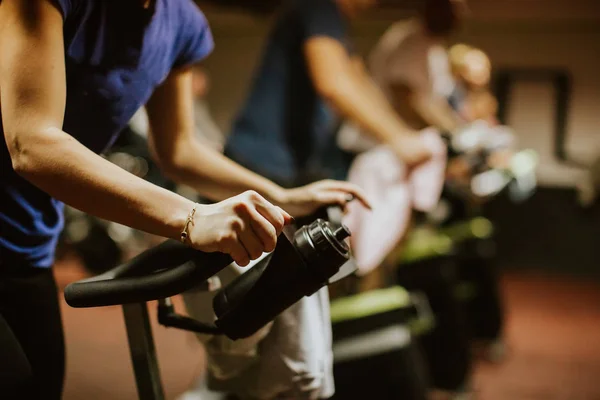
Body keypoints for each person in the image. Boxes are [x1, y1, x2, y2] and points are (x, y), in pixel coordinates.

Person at [0, 1, 369, 399]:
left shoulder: (182, 23)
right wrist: (191, 217)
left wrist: (280, 196)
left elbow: (179, 149)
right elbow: (32, 143)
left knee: (39, 387)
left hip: (26, 239)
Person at [180, 0, 432, 399]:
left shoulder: (337, 29)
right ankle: (210, 389)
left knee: (278, 307)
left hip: (287, 173)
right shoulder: (319, 8)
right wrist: (401, 141)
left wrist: (407, 135)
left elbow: (359, 83)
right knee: (251, 309)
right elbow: (334, 82)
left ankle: (230, 386)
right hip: (258, 168)